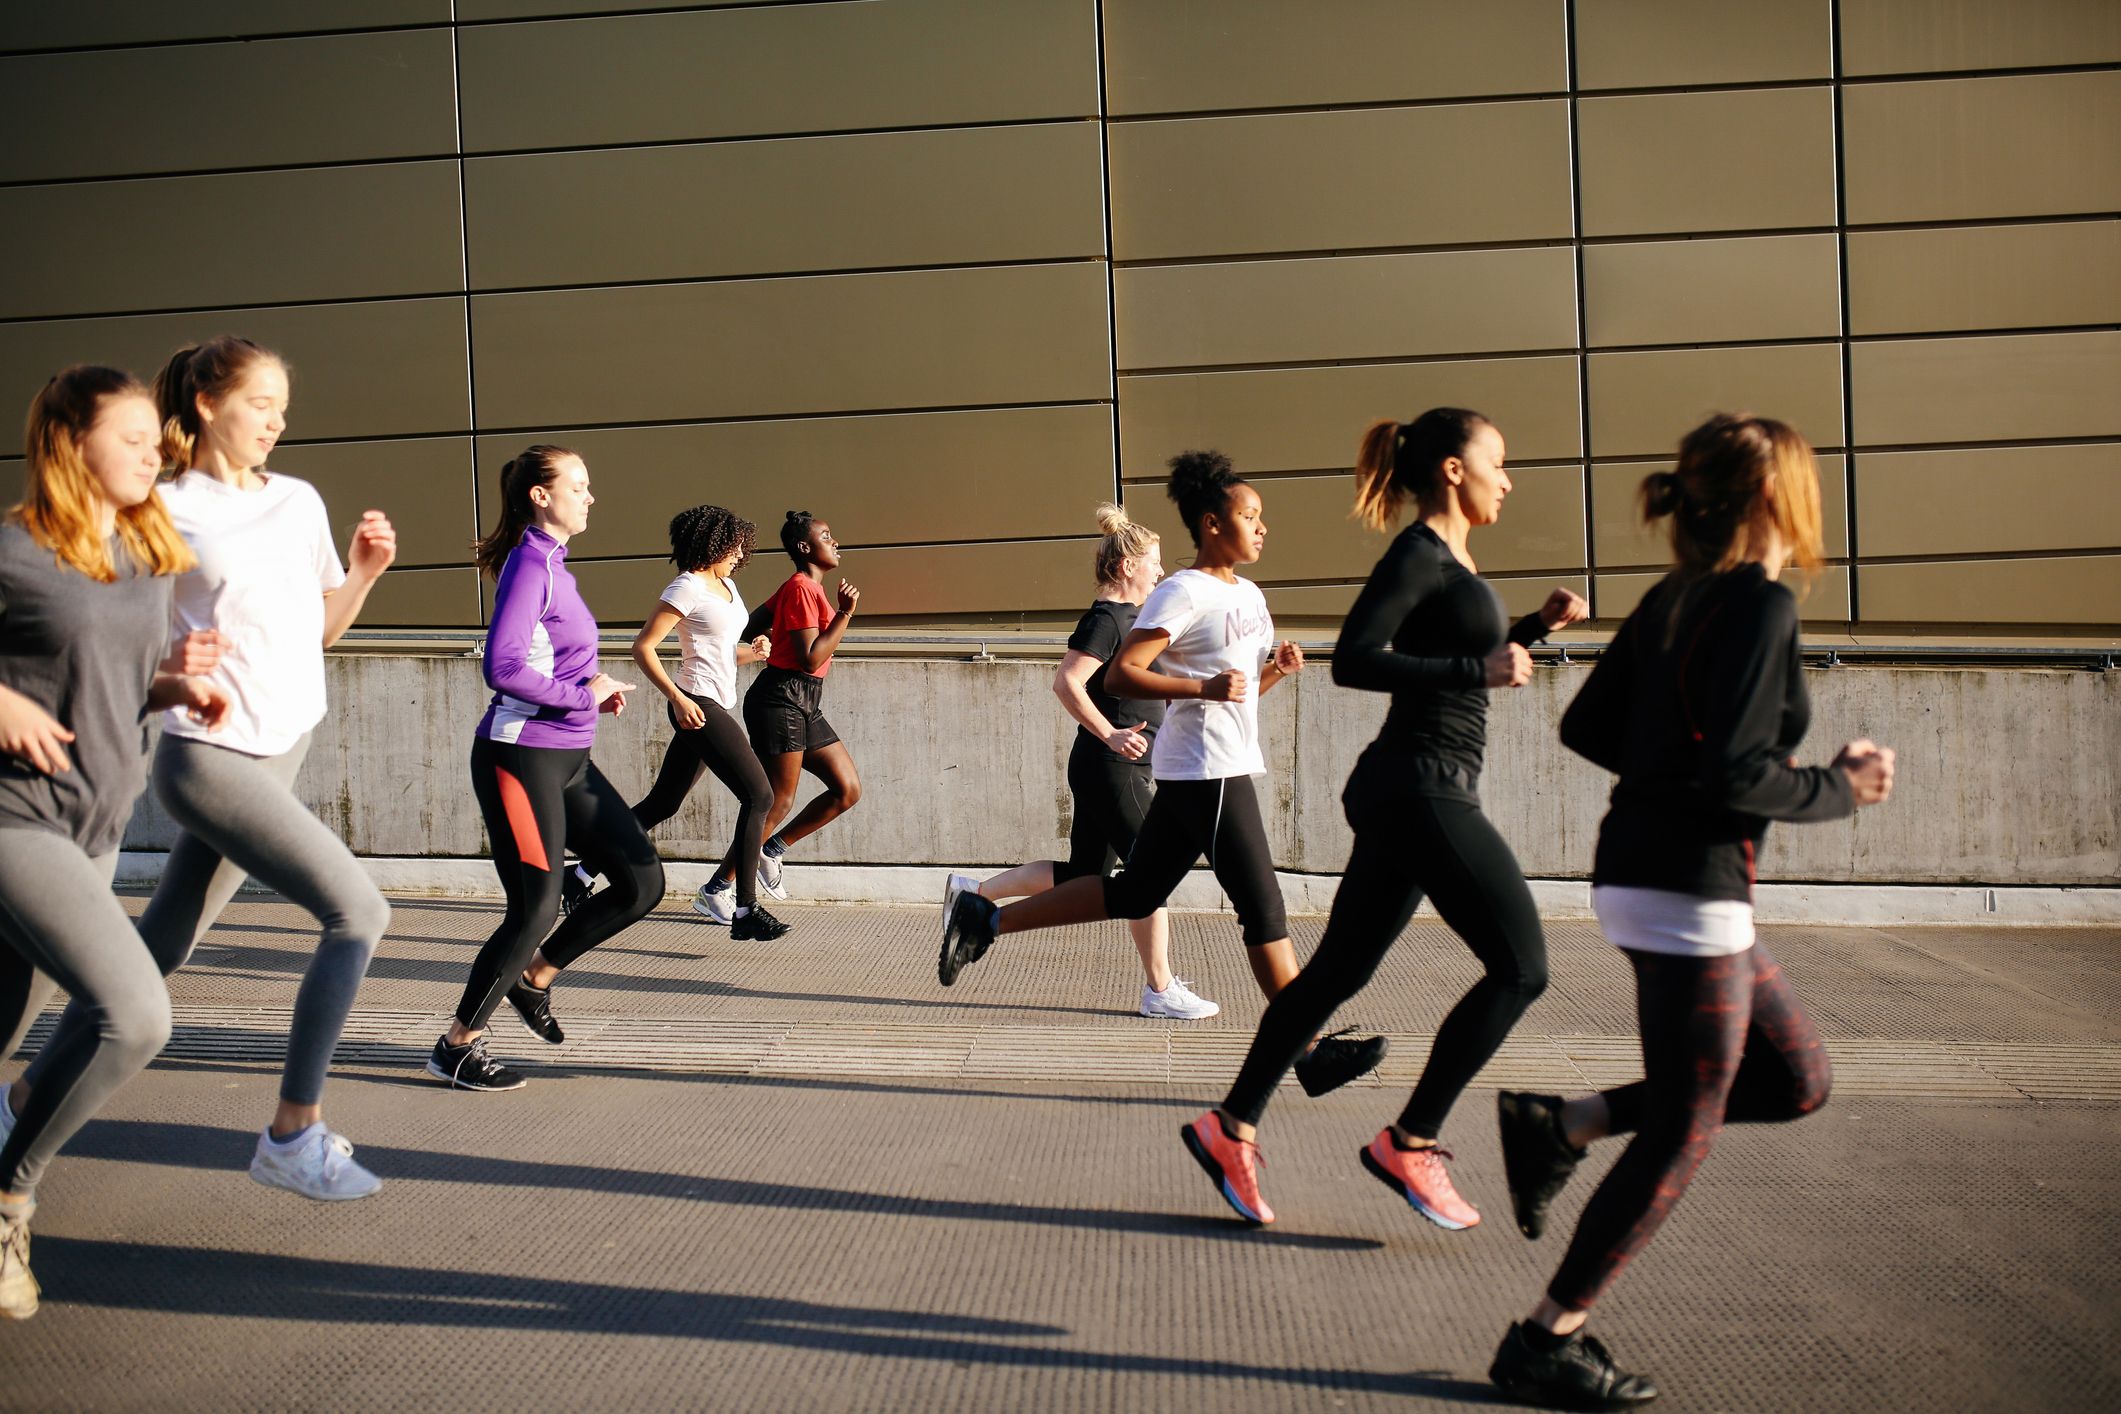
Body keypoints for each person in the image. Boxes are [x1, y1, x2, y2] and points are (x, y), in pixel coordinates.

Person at [1486, 413, 1895, 1409]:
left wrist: (1679, 774)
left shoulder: (1678, 594)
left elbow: (1589, 724)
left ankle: (1564, 1123)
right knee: (1684, 1130)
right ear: (1776, 500)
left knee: (1798, 1077)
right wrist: (1843, 786)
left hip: (1648, 875)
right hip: (1688, 893)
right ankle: (1550, 1336)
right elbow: (1738, 773)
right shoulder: (1755, 607)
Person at [1185, 409, 1589, 1228]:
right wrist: (1479, 662)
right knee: (1521, 968)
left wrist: (1532, 631)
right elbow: (1358, 657)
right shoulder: (1418, 554)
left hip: (1414, 785)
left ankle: (1229, 1128)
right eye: (1497, 462)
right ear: (1450, 468)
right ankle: (1410, 1142)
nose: (1506, 479)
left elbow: (1449, 660)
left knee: (1336, 974)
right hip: (1420, 785)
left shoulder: (1451, 561)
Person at [18, 337, 397, 1202]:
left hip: (285, 742)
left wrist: (366, 572)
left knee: (163, 942)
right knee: (358, 911)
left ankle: (25, 1097)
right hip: (206, 756)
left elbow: (318, 634)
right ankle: (292, 1134)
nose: (276, 420)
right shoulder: (160, 509)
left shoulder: (298, 500)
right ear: (204, 405)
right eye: (260, 402)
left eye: (282, 407)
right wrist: (167, 657)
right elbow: (103, 621)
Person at [939, 452, 1384, 1094]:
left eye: (1262, 517)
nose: (1262, 527)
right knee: (1263, 908)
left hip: (1205, 766)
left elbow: (1237, 691)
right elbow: (1121, 673)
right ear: (1210, 523)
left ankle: (989, 920)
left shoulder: (1248, 594)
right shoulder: (1182, 590)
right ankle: (1308, 1051)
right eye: (1248, 515)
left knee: (1132, 892)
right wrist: (1202, 687)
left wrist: (1274, 673)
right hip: (1207, 770)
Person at [0, 366, 230, 1316]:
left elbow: (99, 686)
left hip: (92, 824)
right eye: (131, 435)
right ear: (67, 439)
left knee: (6, 1026)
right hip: (15, 820)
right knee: (135, 1015)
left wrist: (171, 685)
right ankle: (11, 1197)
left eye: (155, 437)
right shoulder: (12, 551)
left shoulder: (139, 553)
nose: (153, 450)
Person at [428, 445, 664, 1091]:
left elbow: (554, 658)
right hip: (519, 757)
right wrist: (580, 694)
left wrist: (592, 683)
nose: (591, 497)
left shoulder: (557, 568)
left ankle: (534, 978)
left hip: (569, 758)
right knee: (532, 908)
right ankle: (457, 1045)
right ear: (540, 494)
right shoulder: (530, 566)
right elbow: (502, 668)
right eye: (579, 485)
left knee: (641, 884)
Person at [942, 504, 1217, 1020]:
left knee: (1085, 874)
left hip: (1109, 766)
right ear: (1125, 567)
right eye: (1153, 562)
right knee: (1150, 870)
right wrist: (1112, 734)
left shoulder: (1132, 620)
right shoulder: (1107, 619)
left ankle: (973, 894)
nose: (1161, 571)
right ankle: (1159, 990)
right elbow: (1066, 681)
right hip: (1113, 766)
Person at [563, 504, 787, 941]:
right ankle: (744, 910)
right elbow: (643, 647)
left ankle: (581, 871)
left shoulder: (726, 586)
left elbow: (722, 651)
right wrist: (677, 697)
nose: (740, 554)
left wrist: (754, 652)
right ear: (713, 543)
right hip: (697, 704)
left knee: (663, 803)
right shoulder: (685, 587)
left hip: (715, 700)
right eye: (735, 545)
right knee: (760, 794)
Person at [716, 511, 862, 910]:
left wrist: (764, 641)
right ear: (804, 547)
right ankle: (716, 889)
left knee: (846, 789)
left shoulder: (798, 589)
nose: (835, 542)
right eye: (827, 536)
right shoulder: (801, 588)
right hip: (781, 699)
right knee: (776, 801)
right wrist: (846, 614)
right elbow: (811, 658)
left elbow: (747, 626)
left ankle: (773, 849)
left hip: (803, 701)